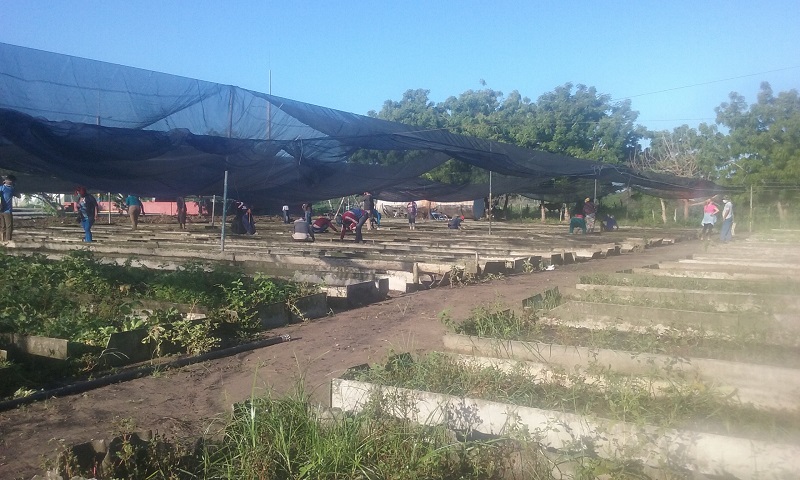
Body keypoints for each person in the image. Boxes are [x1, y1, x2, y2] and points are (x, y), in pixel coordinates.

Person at [0, 174, 18, 242]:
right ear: (11, 181)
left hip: (1, 210)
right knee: (9, 227)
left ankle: (2, 240)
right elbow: (18, 195)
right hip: (7, 211)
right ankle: (8, 241)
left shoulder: (1, 188)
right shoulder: (11, 189)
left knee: (3, 226)